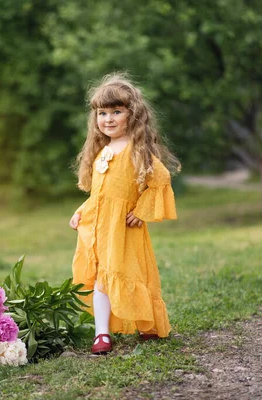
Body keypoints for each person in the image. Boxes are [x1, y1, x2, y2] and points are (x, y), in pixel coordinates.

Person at [69, 72, 180, 355]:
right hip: (101, 229)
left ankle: (147, 323)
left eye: (116, 111)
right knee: (101, 278)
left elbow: (161, 180)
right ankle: (101, 334)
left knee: (129, 275)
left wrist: (142, 211)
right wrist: (82, 211)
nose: (108, 119)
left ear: (132, 115)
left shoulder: (136, 150)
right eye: (102, 113)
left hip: (124, 229)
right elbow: (100, 193)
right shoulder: (101, 150)